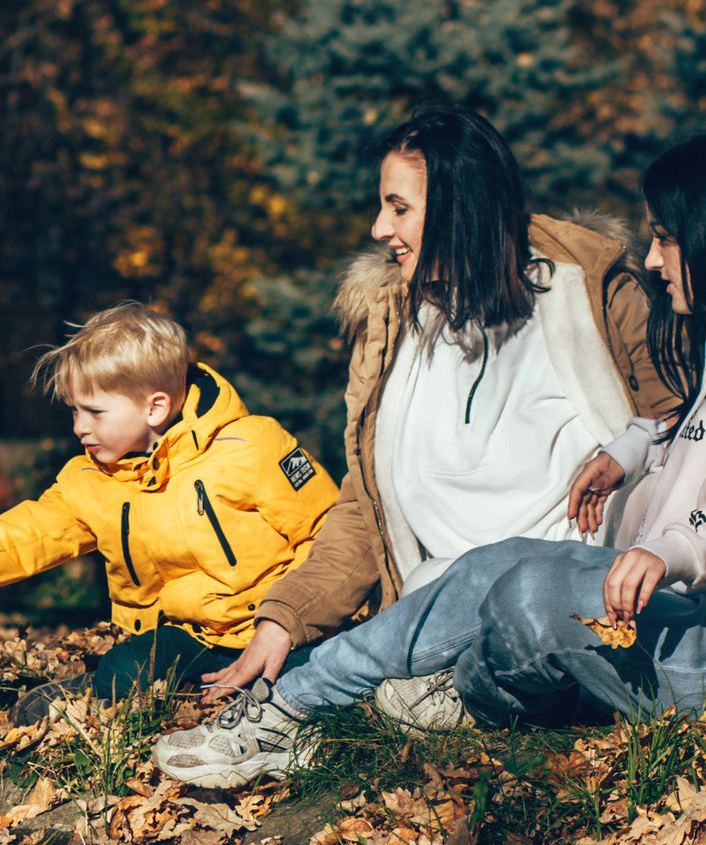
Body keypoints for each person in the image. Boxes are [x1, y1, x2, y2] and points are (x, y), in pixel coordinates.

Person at [156, 127, 706, 791]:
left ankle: (342, 705)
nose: (651, 259)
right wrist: (632, 448)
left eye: (666, 237)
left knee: (525, 599)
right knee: (498, 582)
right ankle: (304, 705)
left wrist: (672, 551)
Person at [198, 107, 681, 727]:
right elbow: (363, 504)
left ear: (460, 208)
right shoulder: (394, 323)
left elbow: (680, 422)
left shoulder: (591, 290)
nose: (378, 228)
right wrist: (283, 618)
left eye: (399, 208)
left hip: (579, 602)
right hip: (425, 610)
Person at [0, 303, 337, 710]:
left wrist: (293, 618)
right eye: (75, 411)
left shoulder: (251, 446)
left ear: (155, 408)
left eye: (95, 412)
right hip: (189, 635)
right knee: (123, 671)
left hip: (277, 624)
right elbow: (22, 534)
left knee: (300, 679)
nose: (80, 427)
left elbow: (328, 529)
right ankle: (103, 699)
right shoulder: (90, 480)